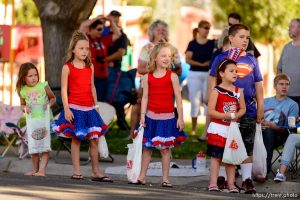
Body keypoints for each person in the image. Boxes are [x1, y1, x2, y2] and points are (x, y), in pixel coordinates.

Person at [208, 24, 264, 194]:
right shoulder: (221, 58)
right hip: (225, 111)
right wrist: (211, 101)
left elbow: (258, 85)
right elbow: (212, 81)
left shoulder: (252, 60)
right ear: (230, 38)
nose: (245, 40)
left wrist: (261, 106)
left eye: (247, 37)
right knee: (224, 146)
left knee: (246, 145)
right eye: (241, 36)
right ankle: (223, 179)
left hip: (247, 110)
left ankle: (247, 180)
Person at [52, 31, 113, 182]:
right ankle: (77, 171)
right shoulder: (67, 67)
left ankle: (96, 171)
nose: (85, 51)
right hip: (74, 108)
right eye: (81, 48)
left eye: (87, 48)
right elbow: (64, 90)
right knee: (76, 139)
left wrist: (96, 105)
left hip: (90, 109)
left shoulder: (90, 66)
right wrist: (66, 109)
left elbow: (92, 86)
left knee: (94, 140)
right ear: (73, 49)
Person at [135, 41, 187, 187]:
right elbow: (145, 97)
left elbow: (178, 98)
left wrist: (181, 118)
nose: (166, 58)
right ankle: (141, 176)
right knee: (147, 148)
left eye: (169, 56)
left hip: (167, 118)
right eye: (163, 55)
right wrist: (142, 116)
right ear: (155, 58)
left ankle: (165, 178)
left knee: (165, 150)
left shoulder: (172, 77)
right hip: (151, 118)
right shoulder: (147, 77)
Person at [127, 19, 182, 139]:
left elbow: (179, 70)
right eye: (159, 30)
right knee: (141, 106)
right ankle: (135, 134)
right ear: (153, 32)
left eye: (164, 30)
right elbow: (140, 69)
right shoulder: (146, 48)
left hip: (167, 85)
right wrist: (156, 71)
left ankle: (165, 138)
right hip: (148, 84)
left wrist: (166, 73)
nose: (161, 32)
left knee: (167, 110)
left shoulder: (172, 48)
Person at [207, 58, 246, 193]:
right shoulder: (216, 90)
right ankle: (213, 183)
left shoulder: (238, 91)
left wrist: (235, 116)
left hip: (232, 129)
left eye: (236, 71)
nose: (235, 73)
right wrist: (226, 116)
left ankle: (231, 184)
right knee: (216, 157)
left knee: (231, 158)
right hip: (218, 129)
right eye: (231, 71)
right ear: (221, 73)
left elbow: (243, 109)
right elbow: (210, 111)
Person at [16, 62, 56, 176]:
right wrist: (25, 108)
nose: (34, 78)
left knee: (45, 146)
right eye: (30, 76)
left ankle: (42, 171)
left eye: (35, 75)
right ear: (23, 77)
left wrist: (48, 104)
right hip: (33, 123)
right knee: (33, 147)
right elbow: (22, 105)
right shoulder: (22, 90)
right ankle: (35, 170)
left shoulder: (43, 86)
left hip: (45, 121)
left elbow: (53, 98)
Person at [262, 74, 299, 177]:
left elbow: (290, 129)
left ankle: (265, 170)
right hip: (260, 133)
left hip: (279, 135)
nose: (284, 87)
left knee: (268, 132)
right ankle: (240, 168)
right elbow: (258, 118)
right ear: (275, 86)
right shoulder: (265, 101)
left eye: (287, 84)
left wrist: (271, 126)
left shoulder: (292, 105)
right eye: (281, 84)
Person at [79, 15, 121, 102]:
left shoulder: (103, 40)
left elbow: (118, 34)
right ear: (91, 29)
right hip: (91, 77)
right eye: (98, 29)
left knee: (102, 102)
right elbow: (83, 26)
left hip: (103, 77)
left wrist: (110, 21)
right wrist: (96, 18)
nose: (101, 31)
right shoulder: (86, 40)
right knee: (91, 102)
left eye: (102, 29)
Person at [185, 20, 215, 136]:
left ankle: (207, 130)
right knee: (195, 100)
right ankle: (193, 129)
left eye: (208, 28)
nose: (207, 30)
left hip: (208, 75)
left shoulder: (212, 43)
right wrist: (202, 64)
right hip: (194, 74)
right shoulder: (192, 43)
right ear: (199, 29)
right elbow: (188, 59)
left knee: (208, 100)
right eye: (205, 28)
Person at [105, 10, 130, 130]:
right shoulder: (103, 32)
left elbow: (121, 52)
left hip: (114, 70)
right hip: (101, 70)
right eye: (112, 17)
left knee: (115, 96)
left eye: (116, 17)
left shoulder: (122, 35)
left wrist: (105, 60)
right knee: (103, 96)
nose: (114, 19)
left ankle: (121, 120)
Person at [277, 18, 300, 115]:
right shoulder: (286, 47)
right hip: (286, 96)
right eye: (289, 27)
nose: (289, 29)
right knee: (288, 127)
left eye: (292, 26)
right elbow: (279, 69)